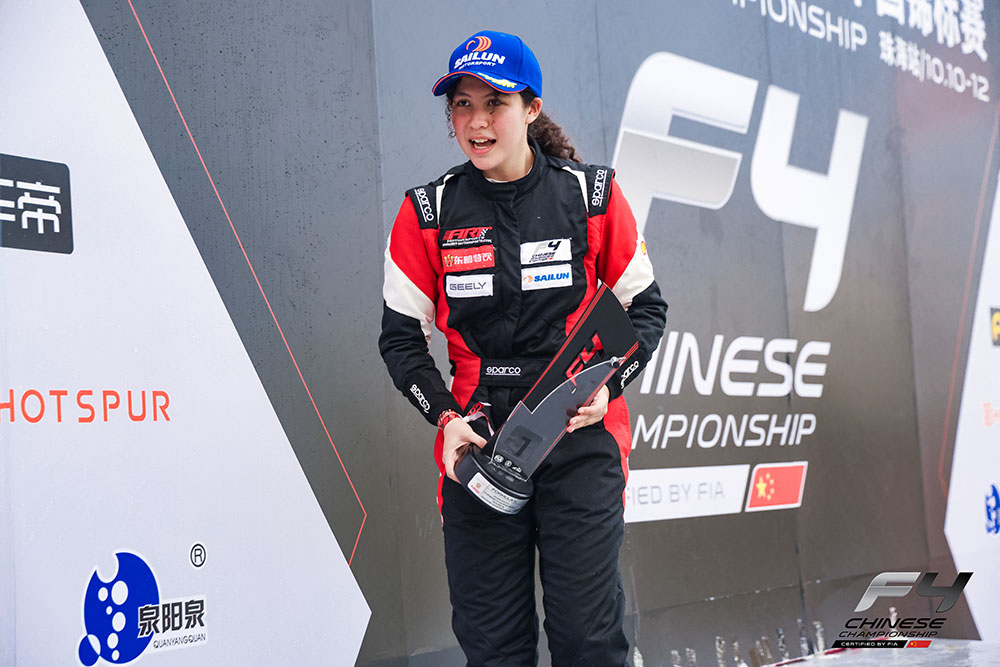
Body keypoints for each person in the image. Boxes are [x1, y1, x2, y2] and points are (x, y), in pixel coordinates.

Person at [379, 29, 667, 667]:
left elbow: (645, 310)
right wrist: (445, 419)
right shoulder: (427, 211)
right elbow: (400, 339)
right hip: (479, 442)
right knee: (494, 648)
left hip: (578, 433)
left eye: (495, 103)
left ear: (531, 108)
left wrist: (608, 387)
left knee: (588, 640)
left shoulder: (591, 195)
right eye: (461, 104)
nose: (476, 121)